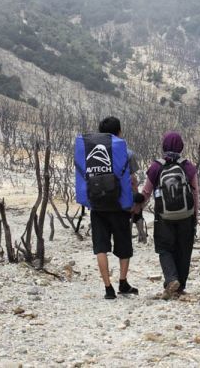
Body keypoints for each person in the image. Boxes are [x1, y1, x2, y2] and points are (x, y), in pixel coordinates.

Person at [136, 132, 200, 300]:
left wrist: (136, 209)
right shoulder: (188, 166)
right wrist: (195, 216)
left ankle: (171, 279)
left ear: (164, 145)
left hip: (163, 216)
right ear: (181, 146)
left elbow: (146, 192)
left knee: (164, 248)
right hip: (186, 215)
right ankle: (180, 288)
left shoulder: (156, 166)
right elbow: (195, 195)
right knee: (184, 250)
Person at [90, 117, 139, 299]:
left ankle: (108, 288)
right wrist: (136, 202)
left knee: (101, 247)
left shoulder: (91, 153)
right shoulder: (128, 153)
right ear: (119, 132)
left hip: (98, 206)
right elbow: (132, 180)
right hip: (120, 206)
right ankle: (123, 282)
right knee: (123, 245)